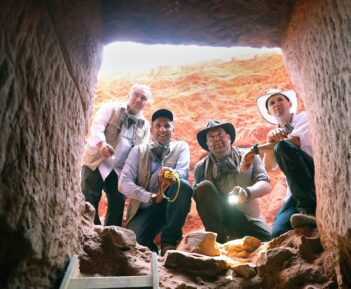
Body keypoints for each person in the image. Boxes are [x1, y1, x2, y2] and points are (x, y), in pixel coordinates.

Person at [241, 89, 317, 238]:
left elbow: (295, 141)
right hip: (297, 190)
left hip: (314, 175)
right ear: (269, 111)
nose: (276, 104)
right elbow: (270, 165)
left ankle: (309, 211)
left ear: (289, 103)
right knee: (278, 232)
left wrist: (255, 150)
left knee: (282, 147)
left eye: (280, 99)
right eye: (272, 103)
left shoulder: (304, 118)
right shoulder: (275, 133)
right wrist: (270, 142)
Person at [118, 109, 193, 255]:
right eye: (158, 126)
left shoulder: (181, 147)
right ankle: (154, 254)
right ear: (151, 129)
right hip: (144, 208)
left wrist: (169, 174)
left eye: (167, 126)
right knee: (136, 243)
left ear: (173, 129)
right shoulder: (137, 151)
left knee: (183, 185)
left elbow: (183, 172)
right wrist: (151, 197)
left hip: (169, 205)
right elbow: (123, 182)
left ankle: (169, 242)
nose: (162, 130)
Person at [81, 84, 151, 226]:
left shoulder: (145, 126)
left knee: (118, 202)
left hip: (119, 170)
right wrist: (102, 145)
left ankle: (109, 237)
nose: (138, 99)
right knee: (89, 198)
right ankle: (90, 231)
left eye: (143, 98)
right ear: (129, 95)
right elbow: (97, 126)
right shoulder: (110, 108)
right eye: (136, 95)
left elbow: (141, 152)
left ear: (146, 103)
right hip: (97, 162)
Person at [193, 120, 272, 243]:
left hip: (249, 218)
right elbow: (200, 200)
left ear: (229, 137)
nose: (217, 139)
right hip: (222, 219)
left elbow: (265, 184)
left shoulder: (249, 156)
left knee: (271, 241)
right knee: (203, 187)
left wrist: (247, 192)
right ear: (207, 144)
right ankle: (218, 241)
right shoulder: (201, 168)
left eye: (220, 134)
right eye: (211, 137)